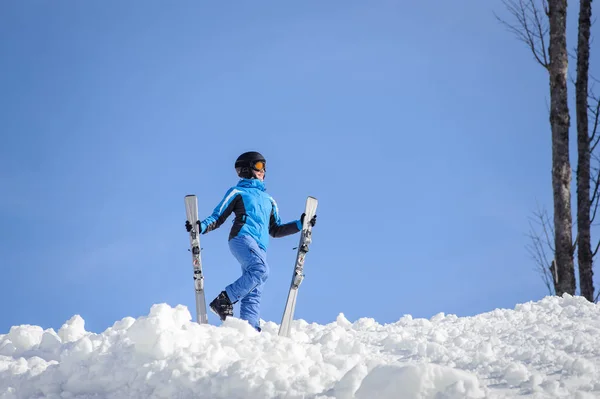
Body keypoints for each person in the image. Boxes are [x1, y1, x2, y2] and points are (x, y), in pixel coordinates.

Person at [185, 151, 316, 331]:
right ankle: (224, 299)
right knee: (260, 270)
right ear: (247, 169)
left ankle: (250, 331)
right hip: (242, 238)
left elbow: (276, 229)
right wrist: (200, 227)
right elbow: (218, 216)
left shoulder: (269, 200)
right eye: (260, 166)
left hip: (261, 247)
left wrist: (300, 224)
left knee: (254, 290)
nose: (264, 171)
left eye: (264, 167)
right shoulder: (238, 192)